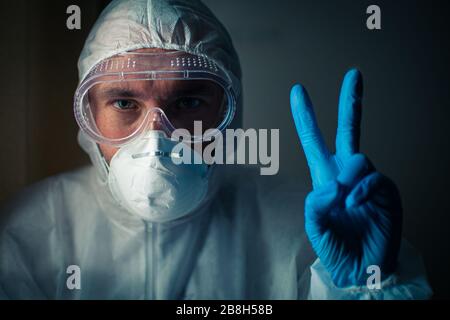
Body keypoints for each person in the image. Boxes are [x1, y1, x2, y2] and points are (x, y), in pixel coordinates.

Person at [0, 0, 432, 299]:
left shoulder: (302, 233)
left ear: (230, 110)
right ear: (89, 113)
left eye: (187, 102)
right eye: (125, 103)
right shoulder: (30, 235)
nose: (157, 139)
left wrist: (367, 287)